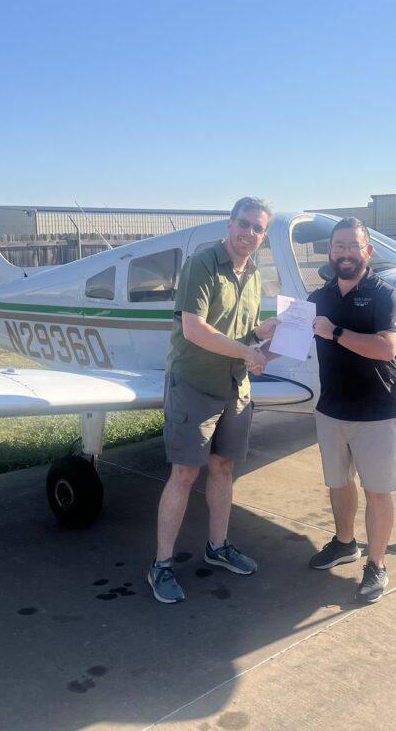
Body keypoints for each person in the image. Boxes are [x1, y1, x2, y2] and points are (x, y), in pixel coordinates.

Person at [148, 197, 278, 604]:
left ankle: (218, 547)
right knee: (185, 474)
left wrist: (262, 337)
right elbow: (195, 330)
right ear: (229, 223)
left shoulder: (254, 274)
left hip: (235, 388)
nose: (249, 233)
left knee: (222, 469)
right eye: (244, 224)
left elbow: (241, 335)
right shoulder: (202, 263)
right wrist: (246, 352)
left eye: (258, 228)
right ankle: (162, 565)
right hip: (195, 385)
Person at [307, 217, 396, 604]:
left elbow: (386, 348)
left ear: (368, 251)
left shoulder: (384, 295)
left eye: (352, 245)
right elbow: (291, 339)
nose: (344, 253)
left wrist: (335, 332)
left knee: (377, 491)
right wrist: (256, 348)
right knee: (338, 483)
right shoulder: (318, 297)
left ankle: (377, 564)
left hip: (376, 411)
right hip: (331, 409)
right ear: (329, 252)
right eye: (338, 246)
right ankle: (345, 543)